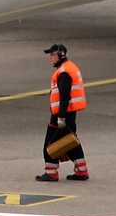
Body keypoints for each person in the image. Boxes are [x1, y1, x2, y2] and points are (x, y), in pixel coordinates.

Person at [35, 44, 89, 182]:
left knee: (50, 143)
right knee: (70, 142)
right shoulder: (70, 67)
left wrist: (60, 117)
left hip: (63, 113)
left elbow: (65, 96)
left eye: (52, 54)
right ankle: (82, 170)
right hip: (70, 113)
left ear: (60, 55)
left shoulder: (64, 72)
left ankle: (51, 172)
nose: (50, 58)